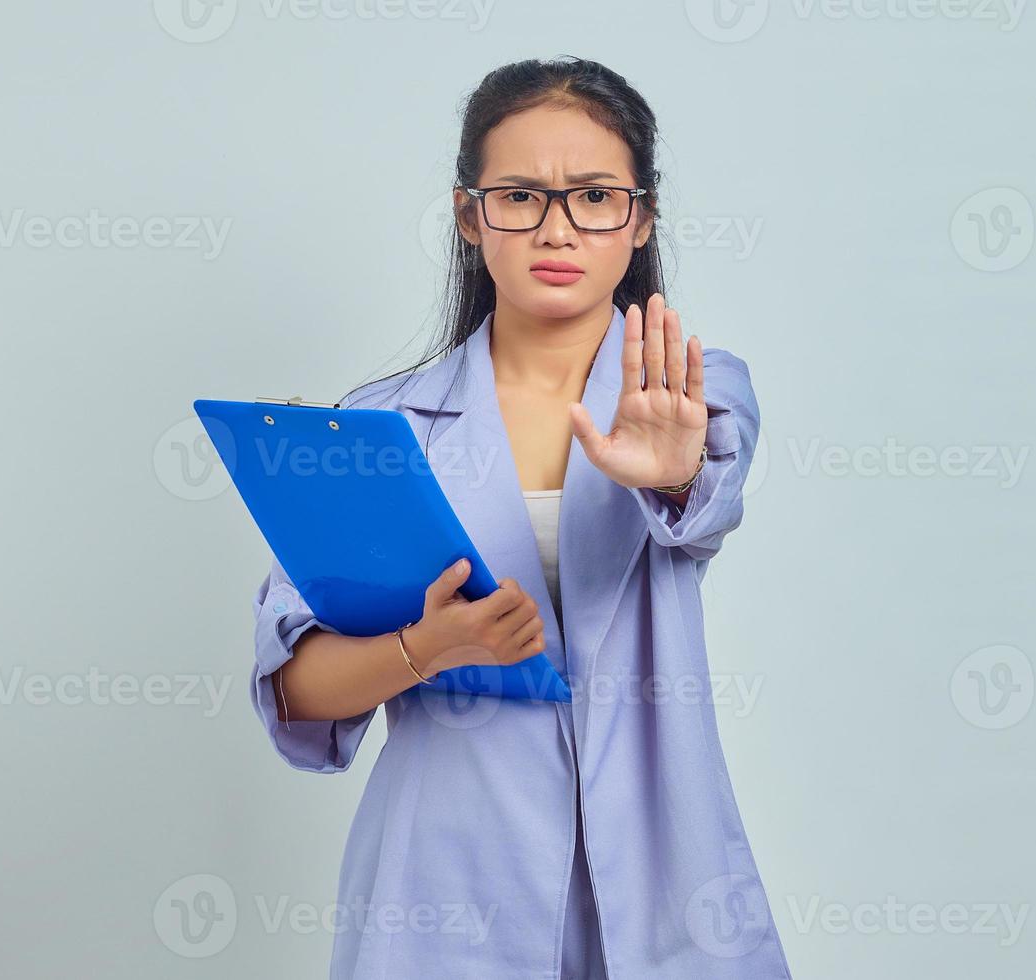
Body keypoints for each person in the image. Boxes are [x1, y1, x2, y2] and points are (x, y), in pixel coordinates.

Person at [251, 56, 793, 978]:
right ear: (470, 217)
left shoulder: (688, 389)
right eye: (519, 196)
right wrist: (428, 649)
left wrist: (672, 475)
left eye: (594, 197)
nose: (557, 227)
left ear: (640, 218)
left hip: (662, 871)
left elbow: (707, 489)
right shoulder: (379, 429)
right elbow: (296, 691)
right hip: (448, 881)